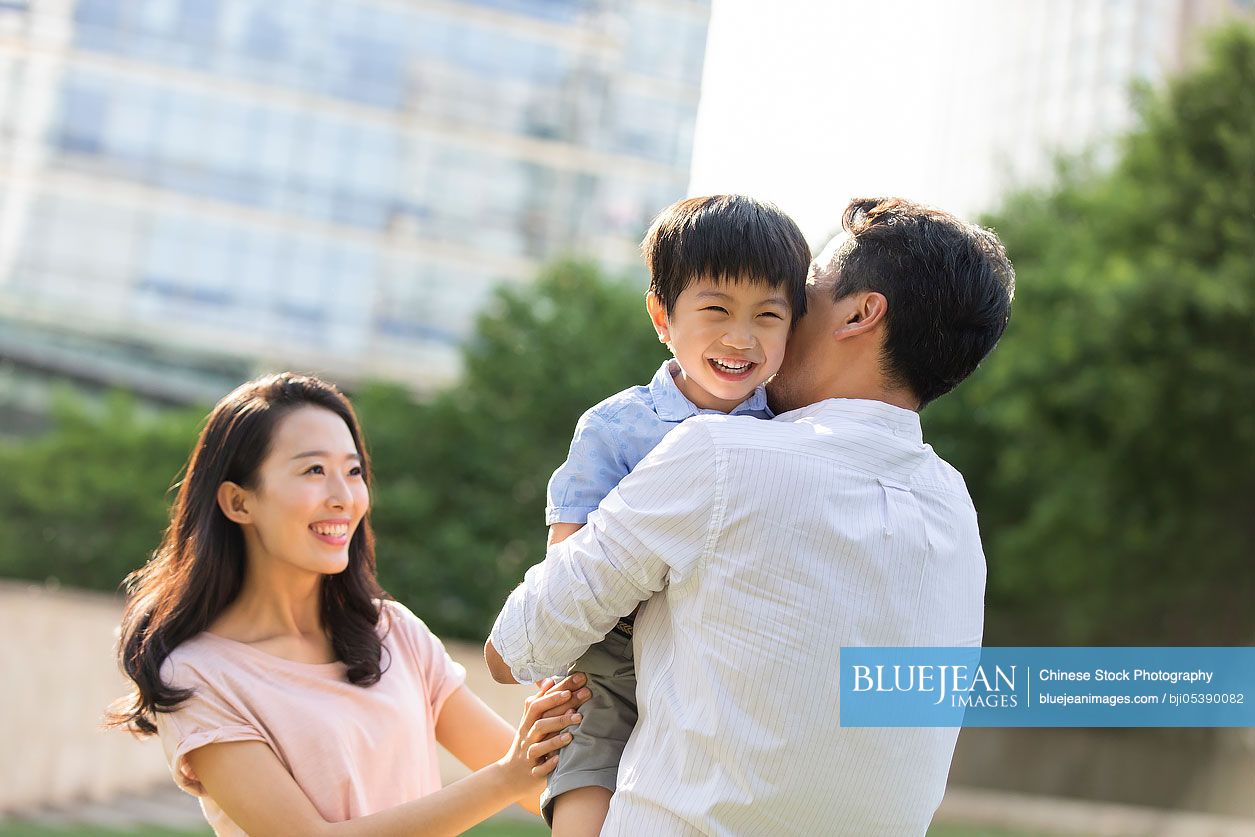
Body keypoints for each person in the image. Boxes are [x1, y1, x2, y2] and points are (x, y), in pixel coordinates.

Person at [486, 197, 1016, 835]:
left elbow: (516, 646)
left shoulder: (720, 455)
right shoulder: (957, 510)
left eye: (800, 298)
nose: (778, 325)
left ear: (860, 313)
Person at [108, 373, 590, 837]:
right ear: (239, 502)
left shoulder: (393, 633)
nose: (344, 498)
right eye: (314, 470)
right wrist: (505, 777)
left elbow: (541, 786)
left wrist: (563, 730)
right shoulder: (199, 674)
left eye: (353, 471)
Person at [534, 194, 811, 835]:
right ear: (662, 313)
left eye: (768, 316)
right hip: (611, 661)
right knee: (586, 791)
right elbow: (567, 561)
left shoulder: (791, 434)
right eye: (716, 310)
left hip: (720, 666)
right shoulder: (618, 427)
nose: (740, 338)